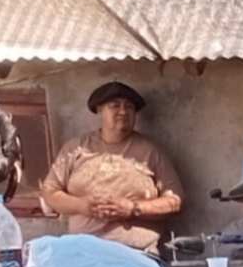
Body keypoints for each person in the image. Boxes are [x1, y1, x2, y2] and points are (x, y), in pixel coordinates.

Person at [38, 80, 185, 252]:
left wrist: (133, 209)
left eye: (129, 107)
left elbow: (175, 201)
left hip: (136, 253)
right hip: (83, 252)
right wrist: (81, 205)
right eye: (114, 106)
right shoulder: (76, 148)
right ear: (100, 110)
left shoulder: (150, 152)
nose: (123, 111)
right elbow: (49, 191)